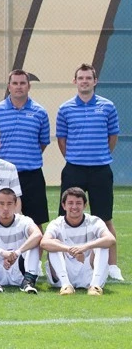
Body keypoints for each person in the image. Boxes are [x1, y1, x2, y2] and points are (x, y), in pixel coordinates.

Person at [56, 63, 122, 281]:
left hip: (101, 169)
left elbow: (112, 138)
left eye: (88, 78)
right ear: (75, 81)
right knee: (65, 217)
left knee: (105, 218)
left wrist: (98, 156)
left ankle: (112, 266)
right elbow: (62, 140)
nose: (84, 81)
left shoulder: (108, 106)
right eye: (80, 78)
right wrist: (77, 159)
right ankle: (62, 263)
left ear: (95, 81)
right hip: (74, 168)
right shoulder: (65, 108)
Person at [0, 69, 50, 230]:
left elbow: (43, 142)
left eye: (22, 83)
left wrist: (26, 157)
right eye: (15, 83)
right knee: (1, 221)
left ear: (29, 86)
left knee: (35, 223)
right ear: (9, 86)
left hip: (31, 175)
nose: (19, 86)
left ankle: (34, 257)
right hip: (3, 174)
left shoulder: (40, 112)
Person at [41, 187, 116, 296]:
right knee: (54, 243)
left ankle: (95, 286)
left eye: (78, 203)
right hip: (65, 271)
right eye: (70, 203)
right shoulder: (56, 223)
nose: (74, 207)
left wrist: (85, 247)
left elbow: (111, 239)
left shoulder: (94, 221)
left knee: (102, 244)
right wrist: (69, 249)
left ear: (85, 205)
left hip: (88, 271)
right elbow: (44, 243)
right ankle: (66, 285)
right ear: (64, 205)